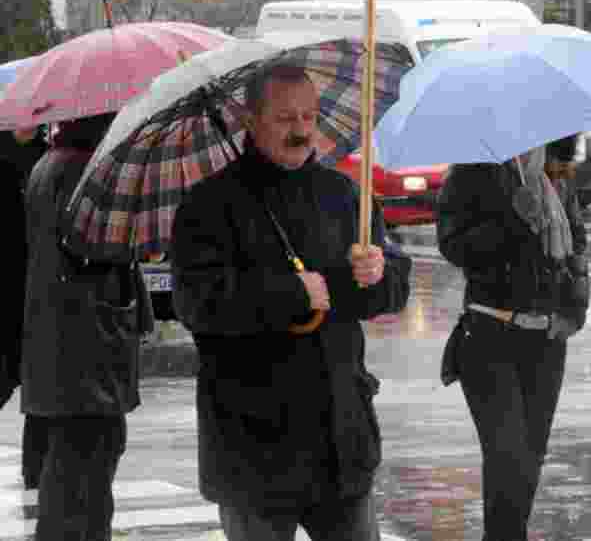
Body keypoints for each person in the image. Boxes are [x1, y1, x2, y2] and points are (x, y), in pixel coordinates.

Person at [171, 64, 412, 541]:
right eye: (284, 118)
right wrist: (290, 294)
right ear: (250, 120)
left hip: (341, 441)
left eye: (309, 116)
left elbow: (392, 288)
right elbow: (197, 303)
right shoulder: (208, 205)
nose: (301, 130)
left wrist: (379, 274)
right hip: (253, 450)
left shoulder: (343, 194)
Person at [436, 135, 589, 541]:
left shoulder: (554, 172)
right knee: (508, 456)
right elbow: (453, 246)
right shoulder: (471, 172)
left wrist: (575, 309)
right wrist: (510, 218)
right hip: (489, 334)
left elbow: (577, 242)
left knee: (530, 457)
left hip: (546, 340)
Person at [21, 113, 153, 541]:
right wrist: (137, 230)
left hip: (66, 343)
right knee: (86, 470)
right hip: (88, 344)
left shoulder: (51, 164)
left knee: (74, 471)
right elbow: (95, 248)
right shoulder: (84, 170)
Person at [0, 127, 48, 488]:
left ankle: (36, 469)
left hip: (32, 289)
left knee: (37, 383)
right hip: (10, 289)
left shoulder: (43, 157)